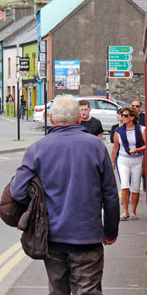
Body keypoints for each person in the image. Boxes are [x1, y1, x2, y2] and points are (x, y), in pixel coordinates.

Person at [10, 95, 119, 294]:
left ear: (52, 119)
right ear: (79, 119)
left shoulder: (38, 149)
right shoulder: (96, 147)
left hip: (52, 237)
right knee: (89, 290)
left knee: (58, 290)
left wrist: (38, 206)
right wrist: (110, 231)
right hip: (88, 236)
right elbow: (110, 194)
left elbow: (17, 190)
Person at [112, 106, 145, 220]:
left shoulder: (141, 129)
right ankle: (125, 211)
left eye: (125, 115)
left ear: (132, 117)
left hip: (137, 160)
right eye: (122, 115)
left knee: (135, 187)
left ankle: (133, 212)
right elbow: (115, 148)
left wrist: (137, 150)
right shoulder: (118, 132)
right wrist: (112, 162)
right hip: (123, 160)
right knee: (124, 185)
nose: (123, 117)